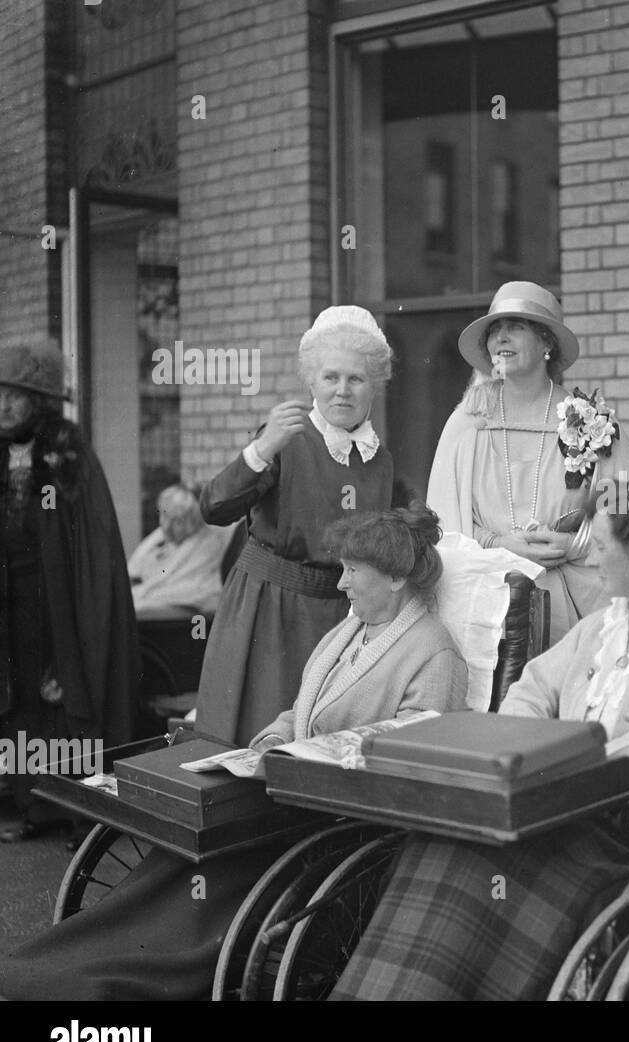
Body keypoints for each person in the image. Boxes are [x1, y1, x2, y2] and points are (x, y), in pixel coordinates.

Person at [0, 504, 467, 1000]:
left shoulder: (432, 649)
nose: (341, 584)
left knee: (216, 866)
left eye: (353, 571)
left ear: (396, 579)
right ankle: (58, 961)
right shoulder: (348, 631)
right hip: (291, 792)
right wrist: (269, 743)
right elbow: (299, 712)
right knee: (182, 850)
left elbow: (416, 751)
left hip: (342, 818)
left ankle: (106, 977)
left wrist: (316, 762)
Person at [331, 484, 629, 1000]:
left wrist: (580, 766)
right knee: (440, 839)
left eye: (604, 544)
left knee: (479, 859)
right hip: (550, 805)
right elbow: (531, 691)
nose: (591, 555)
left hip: (622, 823)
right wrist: (528, 758)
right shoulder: (601, 628)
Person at [197, 306, 396, 746]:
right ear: (310, 382)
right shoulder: (285, 438)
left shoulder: (380, 461)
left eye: (356, 379)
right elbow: (214, 508)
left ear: (374, 387)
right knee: (257, 742)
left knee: (319, 747)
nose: (342, 391)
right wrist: (261, 449)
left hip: (340, 620)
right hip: (268, 613)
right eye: (330, 377)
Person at [427, 281, 629, 640]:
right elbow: (442, 524)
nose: (502, 338)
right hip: (488, 603)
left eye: (516, 327)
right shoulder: (468, 420)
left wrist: (574, 544)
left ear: (547, 343)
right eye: (495, 330)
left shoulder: (590, 420)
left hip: (575, 604)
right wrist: (498, 545)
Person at [0, 341, 137, 843]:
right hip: (9, 599)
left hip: (60, 596)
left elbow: (91, 535)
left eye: (16, 396)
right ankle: (33, 805)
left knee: (66, 695)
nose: (4, 406)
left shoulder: (67, 449)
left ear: (40, 400)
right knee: (18, 702)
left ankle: (83, 811)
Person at [127, 484, 237, 617]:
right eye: (164, 516)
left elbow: (182, 585)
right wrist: (158, 536)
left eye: (176, 521)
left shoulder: (208, 542)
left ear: (190, 521)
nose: (166, 525)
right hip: (158, 599)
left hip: (189, 605)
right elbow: (133, 569)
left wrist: (140, 593)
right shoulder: (165, 538)